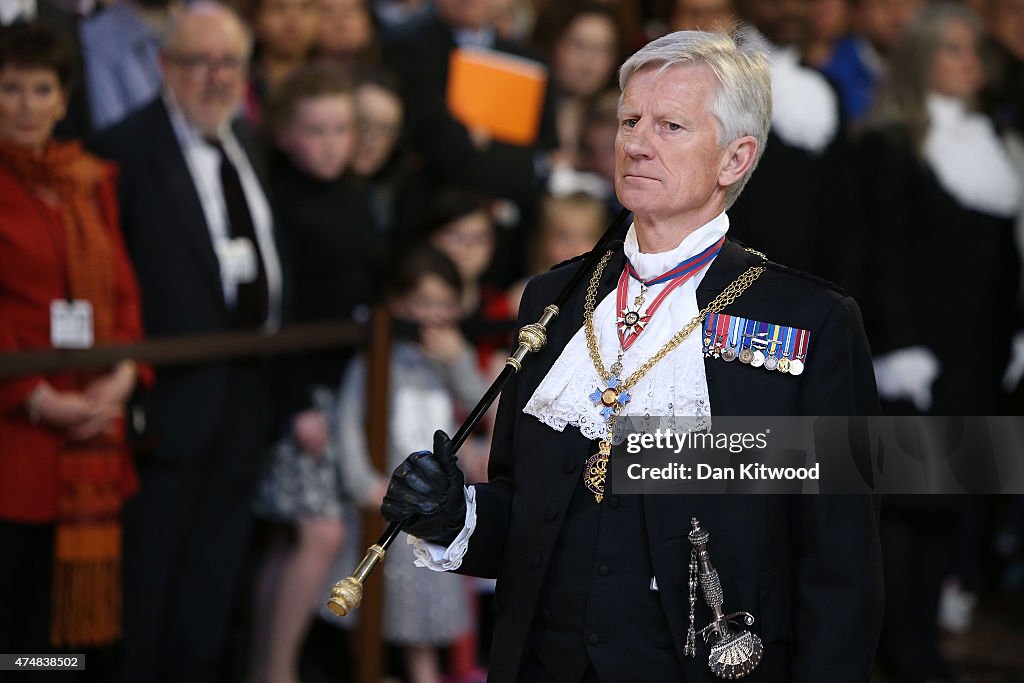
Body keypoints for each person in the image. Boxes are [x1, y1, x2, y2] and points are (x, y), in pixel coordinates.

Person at [380, 29, 884, 683]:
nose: (636, 143)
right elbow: (529, 513)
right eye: (629, 120)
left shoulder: (806, 323)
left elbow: (839, 567)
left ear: (736, 158)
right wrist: (457, 514)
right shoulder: (553, 297)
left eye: (670, 124)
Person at [90, 3, 285, 681]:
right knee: (146, 594)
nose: (215, 77)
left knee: (212, 588)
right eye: (197, 62)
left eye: (228, 62)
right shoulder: (121, 150)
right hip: (165, 408)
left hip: (244, 402)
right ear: (163, 67)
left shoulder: (249, 142)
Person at [0, 21, 146, 660]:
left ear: (63, 100)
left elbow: (123, 291)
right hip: (16, 438)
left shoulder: (90, 178)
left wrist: (121, 378)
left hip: (93, 431)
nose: (24, 105)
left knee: (62, 637)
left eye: (40, 89)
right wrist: (35, 398)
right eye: (8, 88)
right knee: (12, 620)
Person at [247, 63, 372, 683]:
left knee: (298, 538)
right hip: (299, 391)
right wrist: (298, 402)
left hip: (346, 386)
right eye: (315, 130)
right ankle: (276, 671)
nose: (330, 143)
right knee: (317, 533)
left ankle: (269, 666)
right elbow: (280, 310)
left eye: (341, 129)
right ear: (286, 134)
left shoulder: (354, 194)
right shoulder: (278, 202)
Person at [337, 245, 483, 683]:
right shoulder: (377, 359)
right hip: (389, 495)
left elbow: (486, 406)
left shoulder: (447, 359)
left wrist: (456, 360)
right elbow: (348, 423)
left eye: (444, 305)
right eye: (422, 304)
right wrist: (364, 482)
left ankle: (425, 670)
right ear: (398, 303)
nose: (433, 316)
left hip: (433, 503)